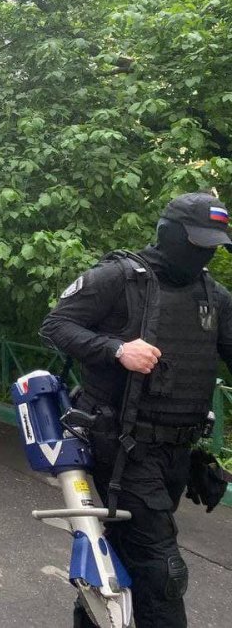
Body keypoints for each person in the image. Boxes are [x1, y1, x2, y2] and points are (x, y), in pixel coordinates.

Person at [40, 193, 232, 628]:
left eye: (213, 246)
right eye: (198, 243)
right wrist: (116, 349)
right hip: (122, 446)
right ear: (170, 234)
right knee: (162, 570)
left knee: (126, 554)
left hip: (177, 454)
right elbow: (56, 325)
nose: (205, 254)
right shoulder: (119, 279)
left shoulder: (214, 296)